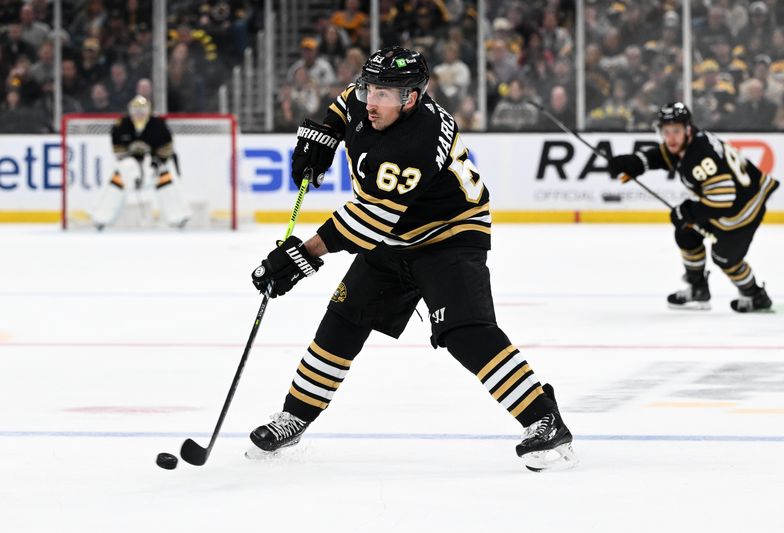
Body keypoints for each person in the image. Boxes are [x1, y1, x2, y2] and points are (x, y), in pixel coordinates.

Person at [248, 47, 578, 472]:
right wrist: (325, 134)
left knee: (464, 332)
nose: (371, 101)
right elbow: (344, 101)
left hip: (449, 235)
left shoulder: (414, 143)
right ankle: (295, 415)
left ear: (412, 98)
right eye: (370, 88)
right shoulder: (366, 99)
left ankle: (543, 420)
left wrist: (301, 256)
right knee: (343, 320)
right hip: (395, 237)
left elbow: (370, 222)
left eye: (384, 94)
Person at [609, 102, 778, 312]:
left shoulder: (699, 156)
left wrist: (689, 212)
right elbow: (665, 155)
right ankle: (698, 288)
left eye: (676, 131)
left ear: (687, 129)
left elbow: (724, 198)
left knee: (724, 257)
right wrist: (635, 162)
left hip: (744, 208)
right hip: (731, 201)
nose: (670, 138)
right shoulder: (691, 142)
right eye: (666, 131)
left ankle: (756, 295)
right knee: (686, 232)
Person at [90, 95, 190, 229]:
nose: (139, 114)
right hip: (130, 163)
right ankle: (101, 217)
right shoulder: (121, 125)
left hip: (155, 162)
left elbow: (167, 147)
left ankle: (178, 216)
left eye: (142, 110)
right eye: (136, 110)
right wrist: (135, 169)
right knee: (119, 178)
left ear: (148, 110)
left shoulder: (158, 125)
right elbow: (118, 152)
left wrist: (156, 163)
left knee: (164, 178)